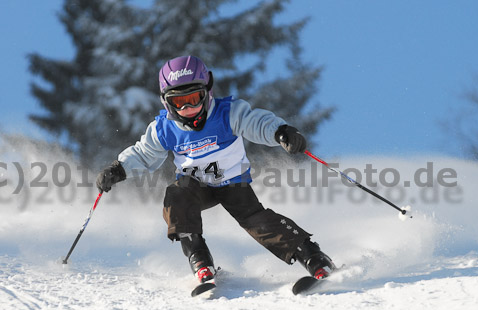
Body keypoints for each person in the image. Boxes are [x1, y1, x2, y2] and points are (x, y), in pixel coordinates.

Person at [96, 55, 335, 287]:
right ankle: (199, 260)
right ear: (166, 102)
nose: (188, 108)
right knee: (177, 195)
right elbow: (143, 153)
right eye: (179, 102)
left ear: (207, 91)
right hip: (196, 187)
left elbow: (256, 122)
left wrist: (280, 132)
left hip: (233, 184)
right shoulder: (164, 129)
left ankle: (314, 258)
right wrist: (119, 169)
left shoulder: (227, 113)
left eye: (194, 97)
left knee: (257, 220)